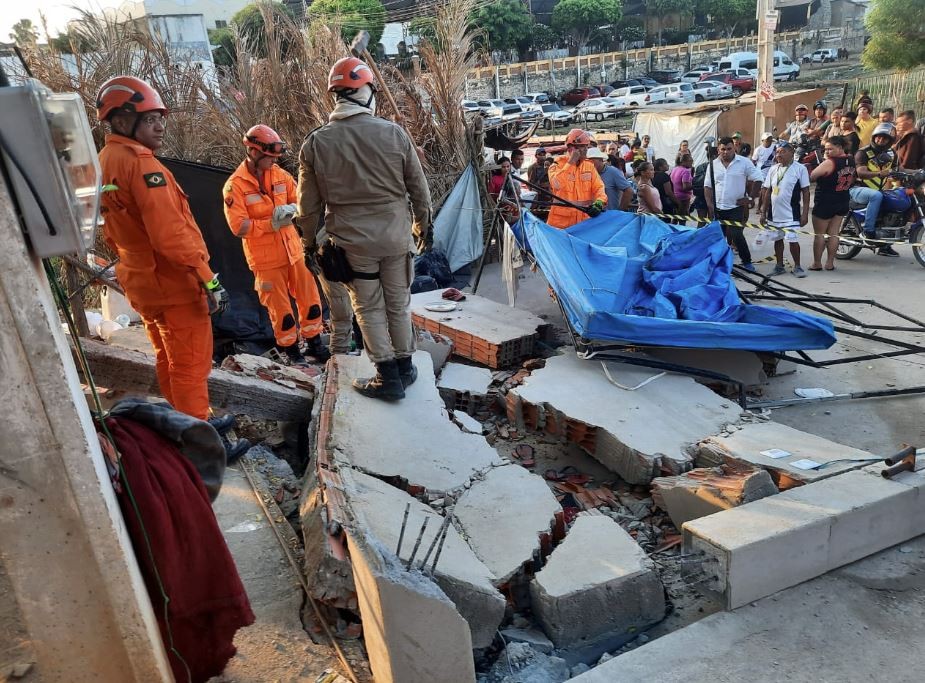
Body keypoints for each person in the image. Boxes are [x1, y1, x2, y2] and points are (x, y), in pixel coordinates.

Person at [296, 56, 432, 401]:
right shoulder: (393, 133)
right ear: (366, 91)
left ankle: (387, 376)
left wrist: (309, 244)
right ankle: (405, 368)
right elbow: (419, 190)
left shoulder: (315, 143)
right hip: (396, 237)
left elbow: (307, 206)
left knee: (368, 308)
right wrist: (422, 227)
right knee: (399, 304)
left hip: (353, 243)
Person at [96, 76, 226, 423]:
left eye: (160, 119)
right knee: (190, 365)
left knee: (168, 360)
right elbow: (171, 236)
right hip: (173, 285)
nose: (159, 127)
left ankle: (185, 427)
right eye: (150, 119)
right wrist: (207, 279)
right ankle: (199, 443)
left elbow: (113, 230)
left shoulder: (106, 160)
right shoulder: (142, 165)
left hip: (143, 282)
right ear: (123, 120)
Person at [223, 124, 326, 364]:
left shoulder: (280, 175)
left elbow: (298, 200)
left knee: (310, 300)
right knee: (281, 311)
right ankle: (291, 353)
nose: (272, 161)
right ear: (253, 152)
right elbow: (239, 227)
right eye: (269, 157)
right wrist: (271, 223)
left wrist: (293, 210)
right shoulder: (235, 186)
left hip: (294, 251)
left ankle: (315, 344)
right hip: (265, 260)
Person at [704, 136, 764, 271]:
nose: (726, 152)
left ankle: (747, 262)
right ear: (718, 149)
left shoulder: (744, 163)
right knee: (718, 237)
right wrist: (710, 205)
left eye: (729, 149)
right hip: (718, 207)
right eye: (723, 149)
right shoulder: (712, 165)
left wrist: (750, 198)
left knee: (737, 235)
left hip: (735, 207)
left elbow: (758, 179)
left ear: (734, 148)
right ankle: (717, 263)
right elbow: (707, 186)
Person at [759, 141, 810, 277]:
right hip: (774, 214)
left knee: (793, 240)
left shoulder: (800, 169)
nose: (779, 154)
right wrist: (763, 212)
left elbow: (806, 191)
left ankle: (797, 266)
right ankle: (779, 265)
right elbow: (767, 191)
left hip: (791, 214)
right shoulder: (773, 168)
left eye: (782, 152)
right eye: (777, 152)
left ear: (792, 153)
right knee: (777, 239)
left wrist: (805, 214)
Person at [850, 122, 902, 255]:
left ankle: (885, 246)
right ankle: (868, 232)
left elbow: (898, 170)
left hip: (878, 189)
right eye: (878, 137)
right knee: (876, 196)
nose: (880, 140)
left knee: (896, 199)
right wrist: (879, 173)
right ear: (873, 137)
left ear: (890, 141)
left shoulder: (891, 153)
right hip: (857, 189)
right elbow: (861, 172)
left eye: (885, 138)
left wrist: (917, 172)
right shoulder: (863, 152)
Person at [810, 135, 855, 271]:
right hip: (842, 199)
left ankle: (817, 263)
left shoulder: (830, 162)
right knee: (834, 233)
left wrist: (823, 162)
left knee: (819, 234)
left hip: (826, 201)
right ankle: (830, 263)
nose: (827, 151)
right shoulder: (851, 160)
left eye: (830, 149)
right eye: (826, 149)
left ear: (840, 148)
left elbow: (813, 176)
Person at [546, 129, 607, 228]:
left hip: (584, 223)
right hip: (561, 225)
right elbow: (557, 184)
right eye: (583, 146)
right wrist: (571, 163)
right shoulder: (557, 165)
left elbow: (599, 188)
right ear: (571, 148)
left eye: (587, 146)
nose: (586, 149)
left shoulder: (589, 166)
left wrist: (599, 202)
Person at [587, 147, 633, 211]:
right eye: (587, 161)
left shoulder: (613, 172)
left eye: (591, 160)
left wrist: (619, 211)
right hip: (592, 216)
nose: (589, 163)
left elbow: (629, 191)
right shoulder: (587, 174)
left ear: (600, 159)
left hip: (610, 216)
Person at [691, 146, 718, 221]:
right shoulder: (717, 167)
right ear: (714, 156)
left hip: (700, 197)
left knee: (701, 222)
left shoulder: (699, 166)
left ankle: (700, 233)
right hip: (712, 197)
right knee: (712, 221)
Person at [527, 147, 551, 219]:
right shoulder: (532, 167)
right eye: (540, 154)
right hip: (537, 197)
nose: (542, 156)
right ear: (536, 156)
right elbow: (530, 183)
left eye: (543, 154)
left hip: (548, 196)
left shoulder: (549, 167)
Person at [670, 153, 694, 220]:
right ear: (683, 162)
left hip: (675, 196)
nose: (692, 164)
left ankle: (673, 230)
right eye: (690, 162)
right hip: (684, 198)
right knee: (682, 219)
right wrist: (695, 185)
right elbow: (685, 187)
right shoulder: (686, 171)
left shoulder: (675, 169)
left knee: (675, 218)